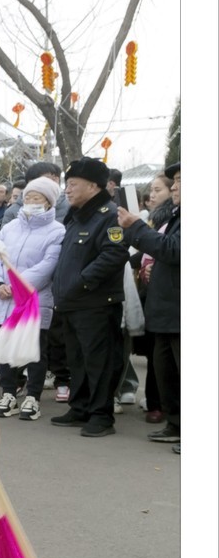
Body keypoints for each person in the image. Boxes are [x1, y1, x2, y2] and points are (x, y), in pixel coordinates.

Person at [48, 158, 128, 438]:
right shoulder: (77, 214)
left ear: (93, 186)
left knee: (99, 361)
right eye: (66, 185)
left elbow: (115, 254)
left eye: (72, 184)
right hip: (72, 303)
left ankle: (101, 415)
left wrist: (81, 283)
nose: (66, 190)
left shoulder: (109, 214)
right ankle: (80, 407)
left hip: (95, 303)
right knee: (77, 359)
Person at [0, 176, 64, 420]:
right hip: (3, 298)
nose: (31, 202)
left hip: (32, 300)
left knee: (34, 349)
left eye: (37, 199)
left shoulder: (57, 231)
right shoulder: (10, 227)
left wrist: (17, 285)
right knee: (6, 348)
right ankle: (8, 392)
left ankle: (33, 396)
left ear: (49, 202)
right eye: (28, 198)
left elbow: (48, 265)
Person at [117, 162, 179, 448]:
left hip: (178, 308)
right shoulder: (175, 216)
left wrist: (137, 226)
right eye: (174, 181)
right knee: (165, 369)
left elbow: (173, 250)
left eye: (178, 182)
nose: (176, 186)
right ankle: (175, 424)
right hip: (166, 308)